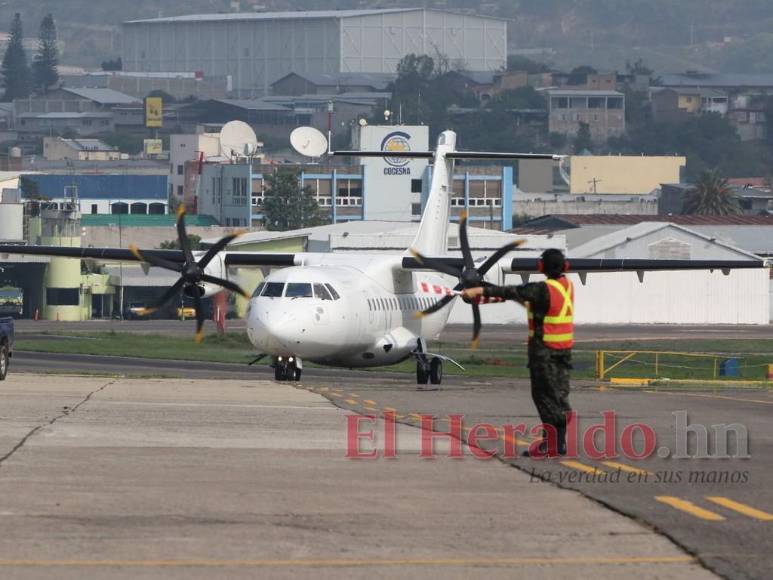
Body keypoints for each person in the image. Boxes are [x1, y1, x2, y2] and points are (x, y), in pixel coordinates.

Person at [463, 248, 574, 458]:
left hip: (545, 353)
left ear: (541, 267)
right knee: (559, 396)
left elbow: (511, 292)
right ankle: (558, 442)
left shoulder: (543, 289)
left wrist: (479, 291)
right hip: (564, 351)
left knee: (544, 398)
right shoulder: (566, 286)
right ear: (565, 267)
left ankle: (551, 443)